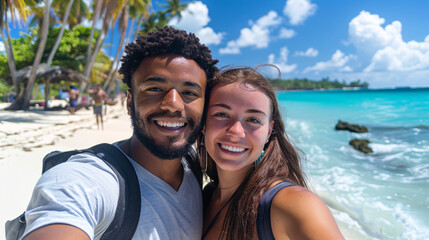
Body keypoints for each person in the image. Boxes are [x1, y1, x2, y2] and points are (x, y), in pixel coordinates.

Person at [21, 26, 218, 239]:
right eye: (155, 89)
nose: (172, 104)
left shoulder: (195, 165)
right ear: (130, 101)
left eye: (189, 92)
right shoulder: (86, 181)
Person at [199, 66, 344, 239]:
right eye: (221, 114)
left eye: (253, 119)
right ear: (203, 123)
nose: (236, 131)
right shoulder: (205, 197)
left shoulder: (295, 205)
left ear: (269, 131)